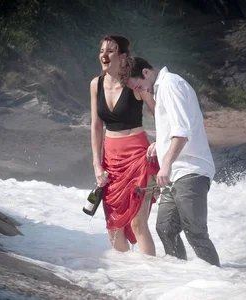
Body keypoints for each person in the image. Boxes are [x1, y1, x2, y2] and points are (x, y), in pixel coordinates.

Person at [121, 56, 220, 267]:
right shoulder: (160, 88)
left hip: (190, 170)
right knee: (165, 228)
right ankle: (179, 280)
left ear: (146, 73)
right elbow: (176, 126)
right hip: (176, 171)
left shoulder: (170, 84)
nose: (139, 90)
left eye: (138, 85)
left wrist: (164, 165)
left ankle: (217, 285)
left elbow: (182, 132)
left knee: (196, 233)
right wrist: (160, 143)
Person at [90, 35, 160, 256]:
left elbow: (158, 112)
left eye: (110, 51)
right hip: (110, 161)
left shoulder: (135, 83)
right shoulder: (96, 84)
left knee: (139, 224)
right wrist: (96, 165)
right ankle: (127, 281)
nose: (104, 55)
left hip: (138, 157)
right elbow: (96, 126)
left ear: (122, 56)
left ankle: (153, 280)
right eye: (102, 50)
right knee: (114, 227)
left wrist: (160, 140)